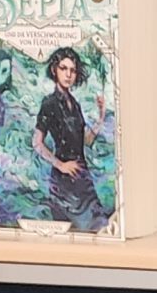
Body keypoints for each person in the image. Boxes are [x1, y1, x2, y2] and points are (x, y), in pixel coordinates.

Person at [33, 48, 107, 231]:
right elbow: (37, 143)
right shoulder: (49, 103)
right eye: (63, 68)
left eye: (72, 70)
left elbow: (86, 141)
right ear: (54, 70)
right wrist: (60, 165)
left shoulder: (75, 104)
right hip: (63, 182)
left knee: (98, 226)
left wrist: (101, 116)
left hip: (83, 177)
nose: (68, 74)